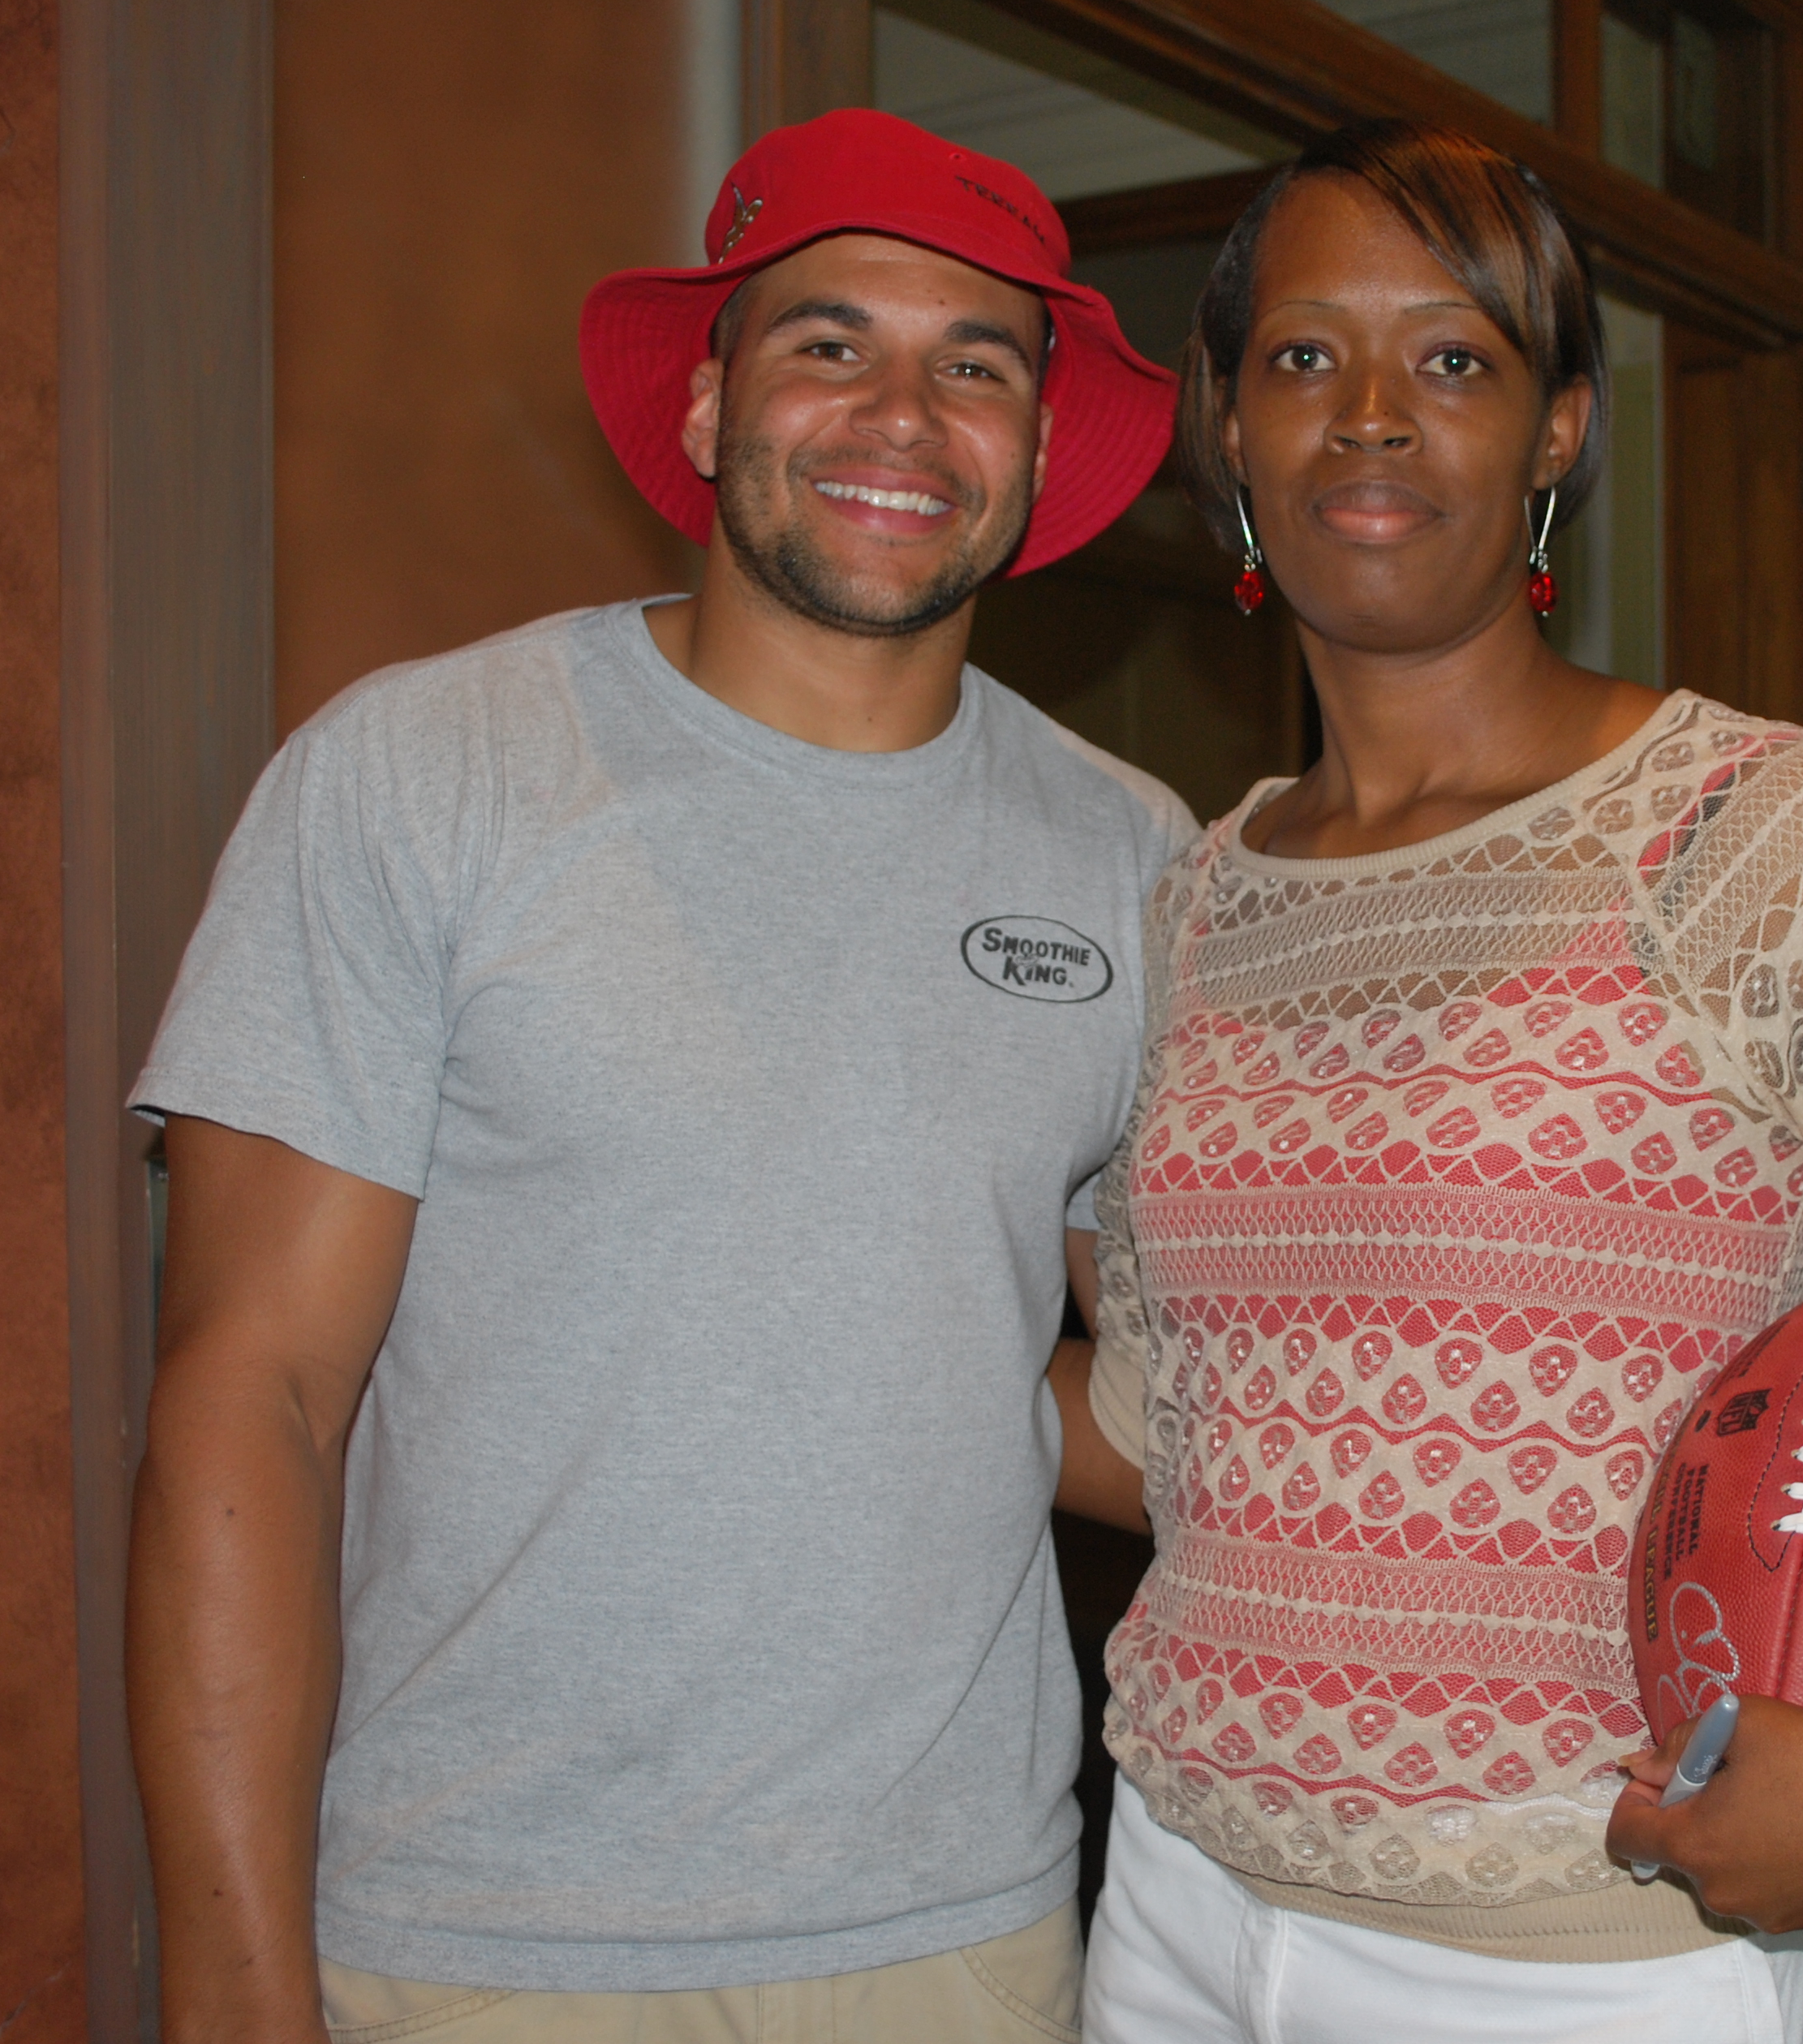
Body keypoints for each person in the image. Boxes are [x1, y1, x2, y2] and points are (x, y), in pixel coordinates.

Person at [1043, 120, 1803, 2044]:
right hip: (1171, 1913)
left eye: (1452, 357)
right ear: (1225, 422)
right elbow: (1172, 1443)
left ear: (1557, 429)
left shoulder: (1752, 842)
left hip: (1584, 1960)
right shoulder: (1196, 906)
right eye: (1302, 355)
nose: (1369, 413)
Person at [126, 110, 1198, 2042]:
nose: (902, 414)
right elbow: (250, 1398)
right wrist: (231, 1992)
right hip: (474, 1943)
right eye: (827, 343)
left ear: (1038, 450)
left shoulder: (1131, 856)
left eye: (976, 366)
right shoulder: (423, 776)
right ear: (709, 407)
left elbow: (1172, 1401)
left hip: (961, 1943)